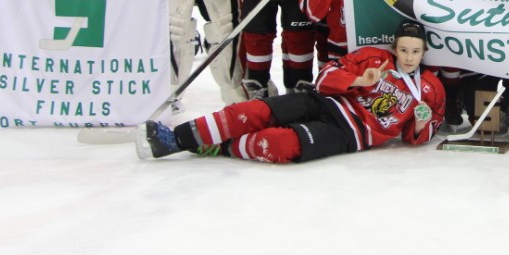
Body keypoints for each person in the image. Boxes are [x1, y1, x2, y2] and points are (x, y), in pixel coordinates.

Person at [136, 20, 445, 163]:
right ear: (395, 47)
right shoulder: (373, 57)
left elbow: (416, 137)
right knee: (253, 111)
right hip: (324, 101)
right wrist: (358, 81)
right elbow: (324, 78)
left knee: (281, 145)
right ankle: (175, 139)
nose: (408, 57)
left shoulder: (431, 88)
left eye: (415, 51)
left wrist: (421, 124)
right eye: (404, 50)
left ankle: (220, 146)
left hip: (350, 135)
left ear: (424, 52)